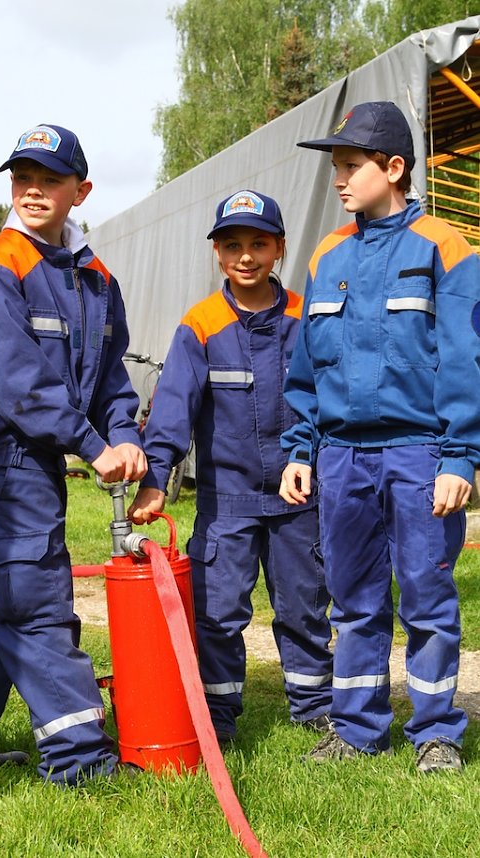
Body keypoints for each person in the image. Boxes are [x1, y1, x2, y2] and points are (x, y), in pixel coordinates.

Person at [0, 124, 147, 785]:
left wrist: (125, 432)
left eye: (49, 179)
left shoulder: (96, 278)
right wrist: (93, 446)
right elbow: (17, 382)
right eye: (22, 178)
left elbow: (110, 378)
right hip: (8, 458)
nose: (33, 190)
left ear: (81, 191)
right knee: (33, 601)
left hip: (37, 458)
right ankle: (80, 758)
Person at [279, 101, 480, 773]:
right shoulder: (327, 254)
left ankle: (437, 733)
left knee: (426, 595)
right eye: (335, 167)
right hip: (342, 458)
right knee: (354, 599)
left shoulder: (445, 246)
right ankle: (358, 729)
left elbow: (467, 361)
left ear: (393, 168)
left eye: (350, 165)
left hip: (420, 453)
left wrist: (460, 457)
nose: (338, 179)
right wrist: (301, 449)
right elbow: (306, 367)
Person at [129, 190, 333, 746]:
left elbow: (328, 398)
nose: (246, 256)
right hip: (227, 505)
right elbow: (172, 410)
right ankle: (218, 716)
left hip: (298, 499)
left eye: (259, 244)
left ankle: (315, 706)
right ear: (217, 252)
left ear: (279, 249)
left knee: (304, 607)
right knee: (217, 613)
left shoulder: (306, 317)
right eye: (232, 245)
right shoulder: (200, 325)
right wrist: (155, 480)